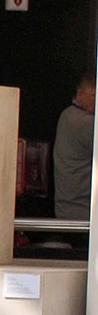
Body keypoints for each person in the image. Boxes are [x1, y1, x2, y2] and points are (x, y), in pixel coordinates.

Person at [53, 71, 95, 220]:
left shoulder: (66, 115)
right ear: (80, 93)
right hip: (82, 210)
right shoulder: (85, 122)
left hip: (67, 207)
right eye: (94, 96)